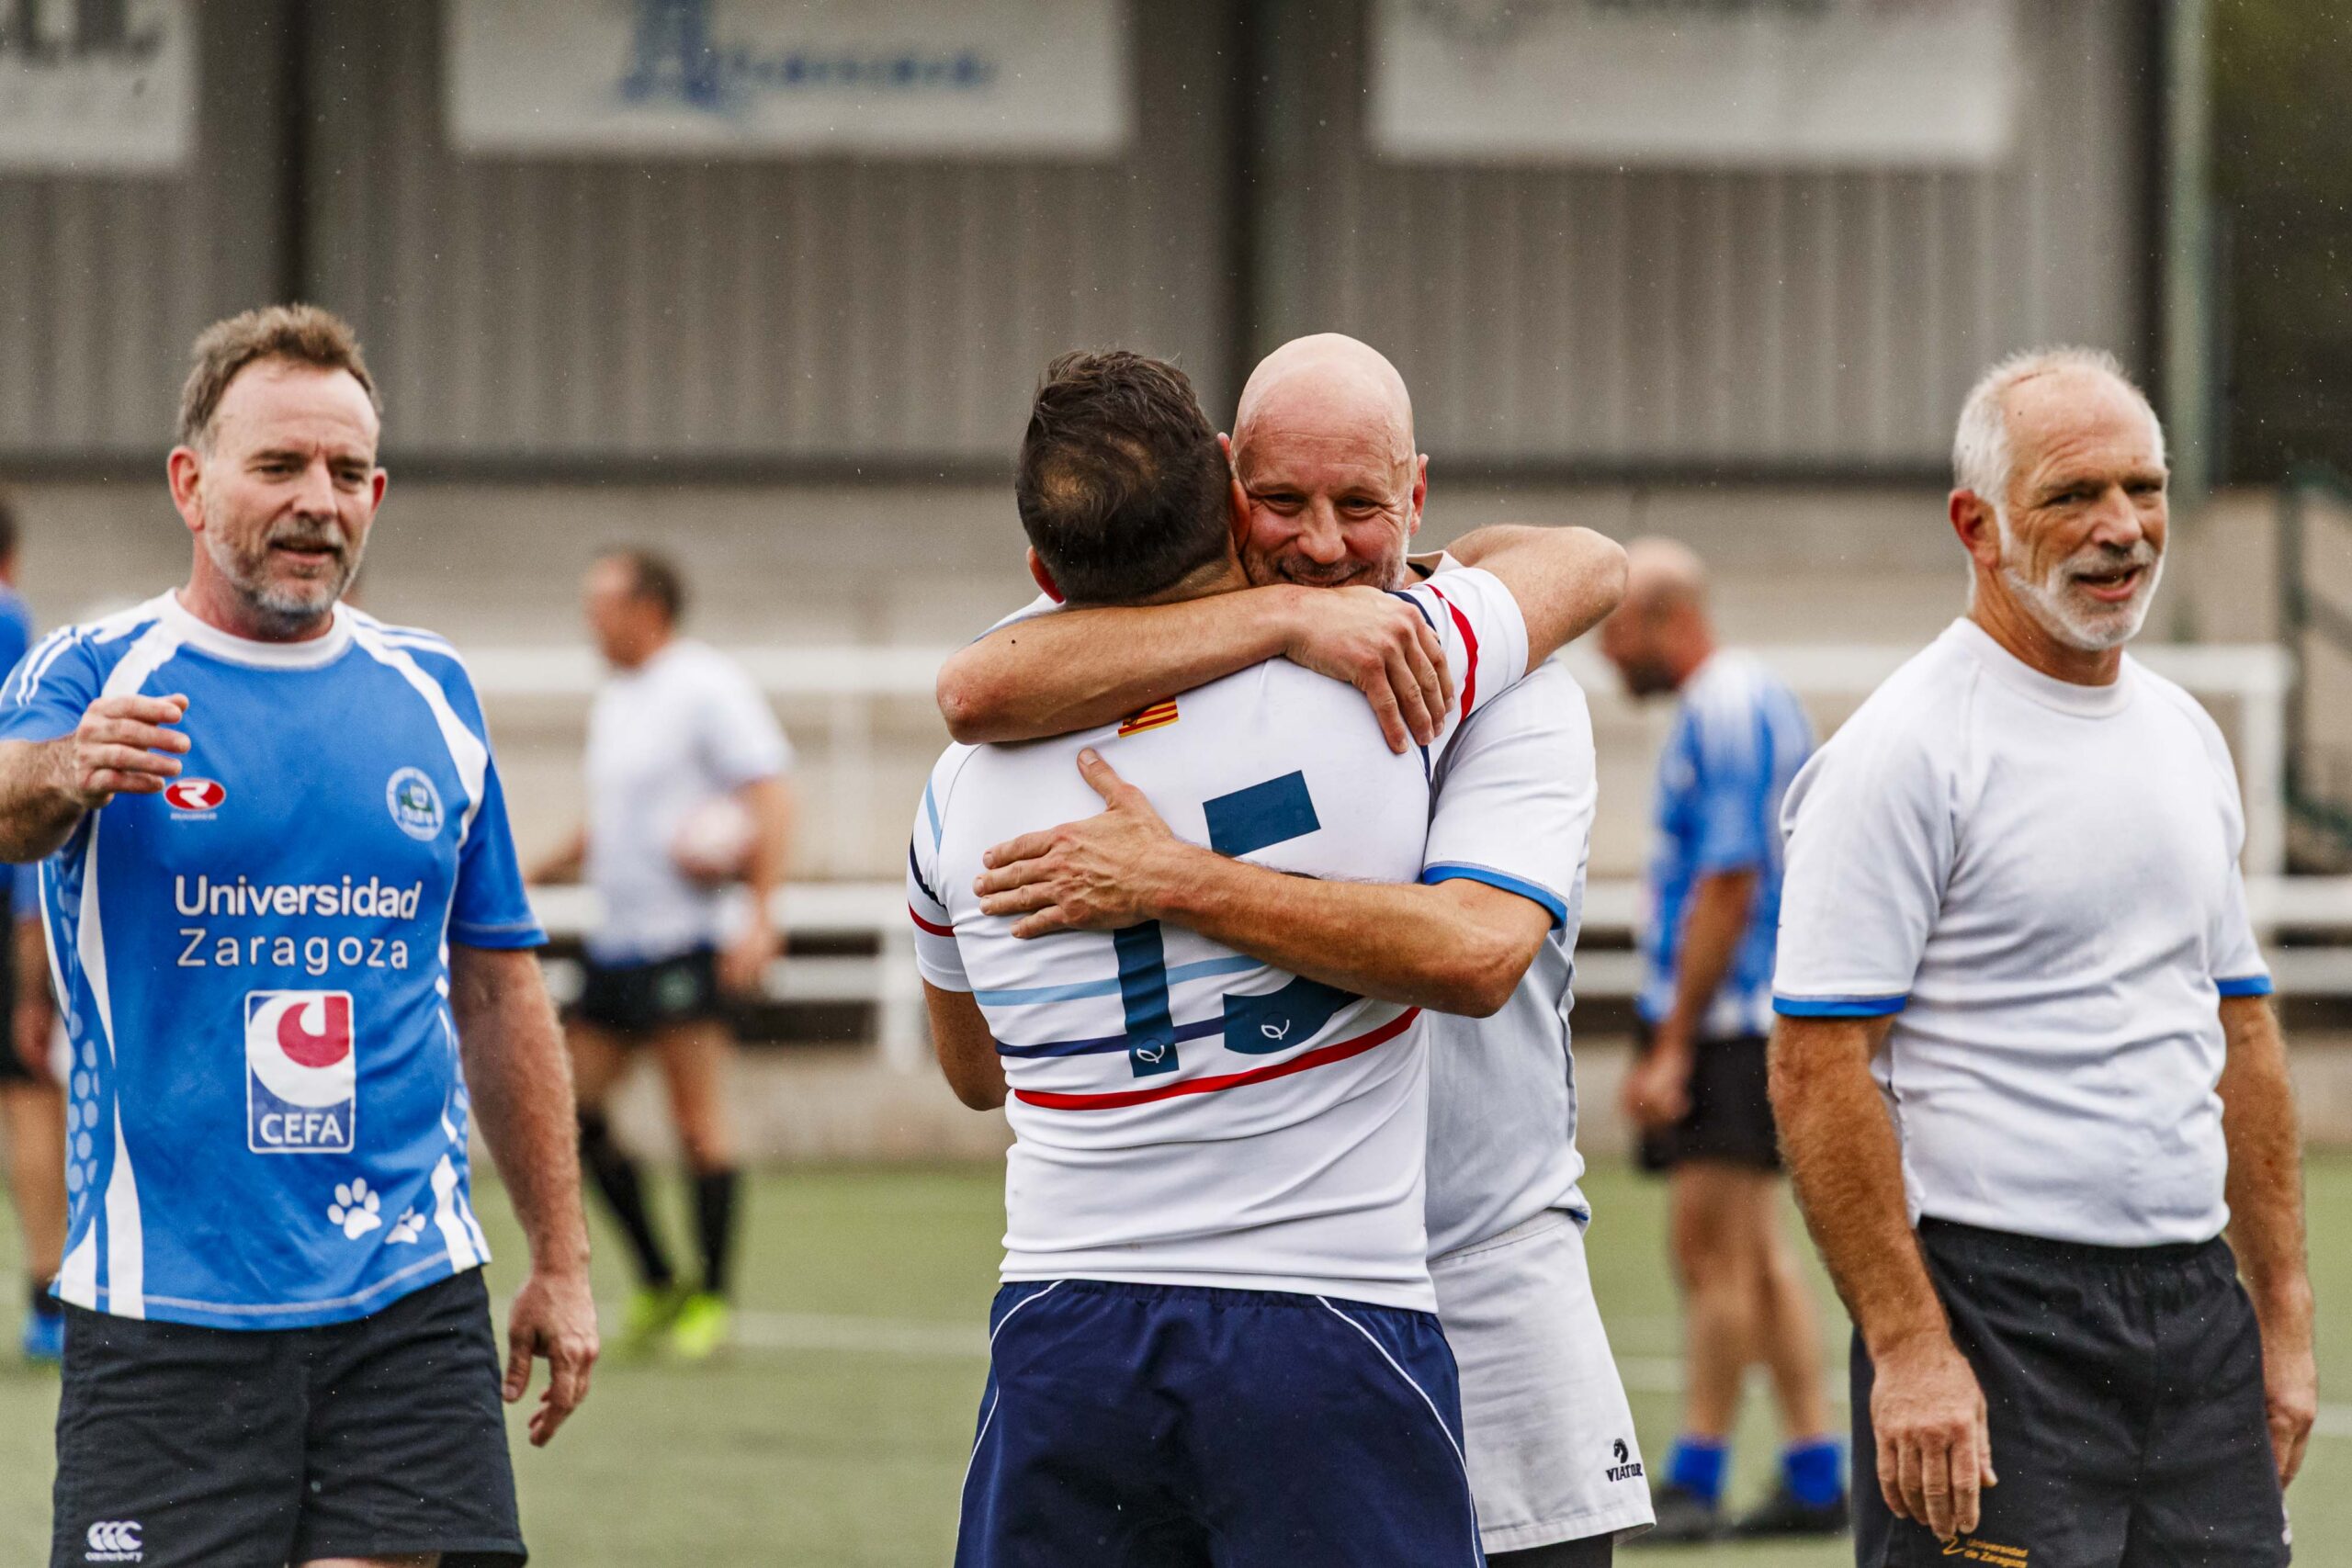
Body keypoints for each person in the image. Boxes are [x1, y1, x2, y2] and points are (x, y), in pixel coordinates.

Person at [934, 333, 1648, 1563]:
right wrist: (1280, 623)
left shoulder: (1490, 674)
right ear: (1222, 487)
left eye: (1361, 505)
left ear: (1417, 496)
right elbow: (975, 685)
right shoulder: (1095, 667)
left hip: (1478, 1267)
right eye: (1282, 502)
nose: (1323, 543)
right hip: (1308, 1294)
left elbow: (1478, 950)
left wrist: (1182, 881)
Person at [0, 304, 596, 1568]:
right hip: (166, 1308)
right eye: (278, 466)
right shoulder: (100, 666)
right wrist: (68, 763)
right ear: (191, 481)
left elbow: (496, 990)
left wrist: (561, 1256)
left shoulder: (430, 689)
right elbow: (9, 799)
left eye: (346, 472)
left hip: (406, 1295)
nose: (318, 499)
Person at [1769, 346, 2314, 1565]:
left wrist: (2279, 1314)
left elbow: (2238, 1027)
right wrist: (1911, 1343)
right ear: (1977, 522)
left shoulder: (2184, 734)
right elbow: (1817, 1066)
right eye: (2074, 493)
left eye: (2145, 486)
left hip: (2192, 1314)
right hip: (1991, 1309)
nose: (2122, 527)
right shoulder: (1903, 751)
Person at [1598, 538, 1844, 1541]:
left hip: (1734, 1021)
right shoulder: (1740, 701)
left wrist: (1672, 1042)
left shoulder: (1727, 705)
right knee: (1755, 1252)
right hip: (1738, 1017)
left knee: (1711, 1251)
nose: (1609, 657)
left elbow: (1731, 879)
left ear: (1662, 617)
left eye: (1615, 631)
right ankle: (1816, 1473)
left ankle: (1694, 1479)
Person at [531, 548, 794, 1359]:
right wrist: (528, 871)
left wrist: (760, 912)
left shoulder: (705, 686)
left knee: (695, 1122)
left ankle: (710, 1300)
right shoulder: (617, 698)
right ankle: (656, 1276)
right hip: (617, 944)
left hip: (686, 941)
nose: (590, 620)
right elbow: (613, 824)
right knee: (571, 1114)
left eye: (600, 603)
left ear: (648, 608)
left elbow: (772, 793)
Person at [0, 494, 63, 1364]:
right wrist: (30, 960)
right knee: (27, 1092)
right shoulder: (10, 617)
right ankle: (49, 1299)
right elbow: (16, 771)